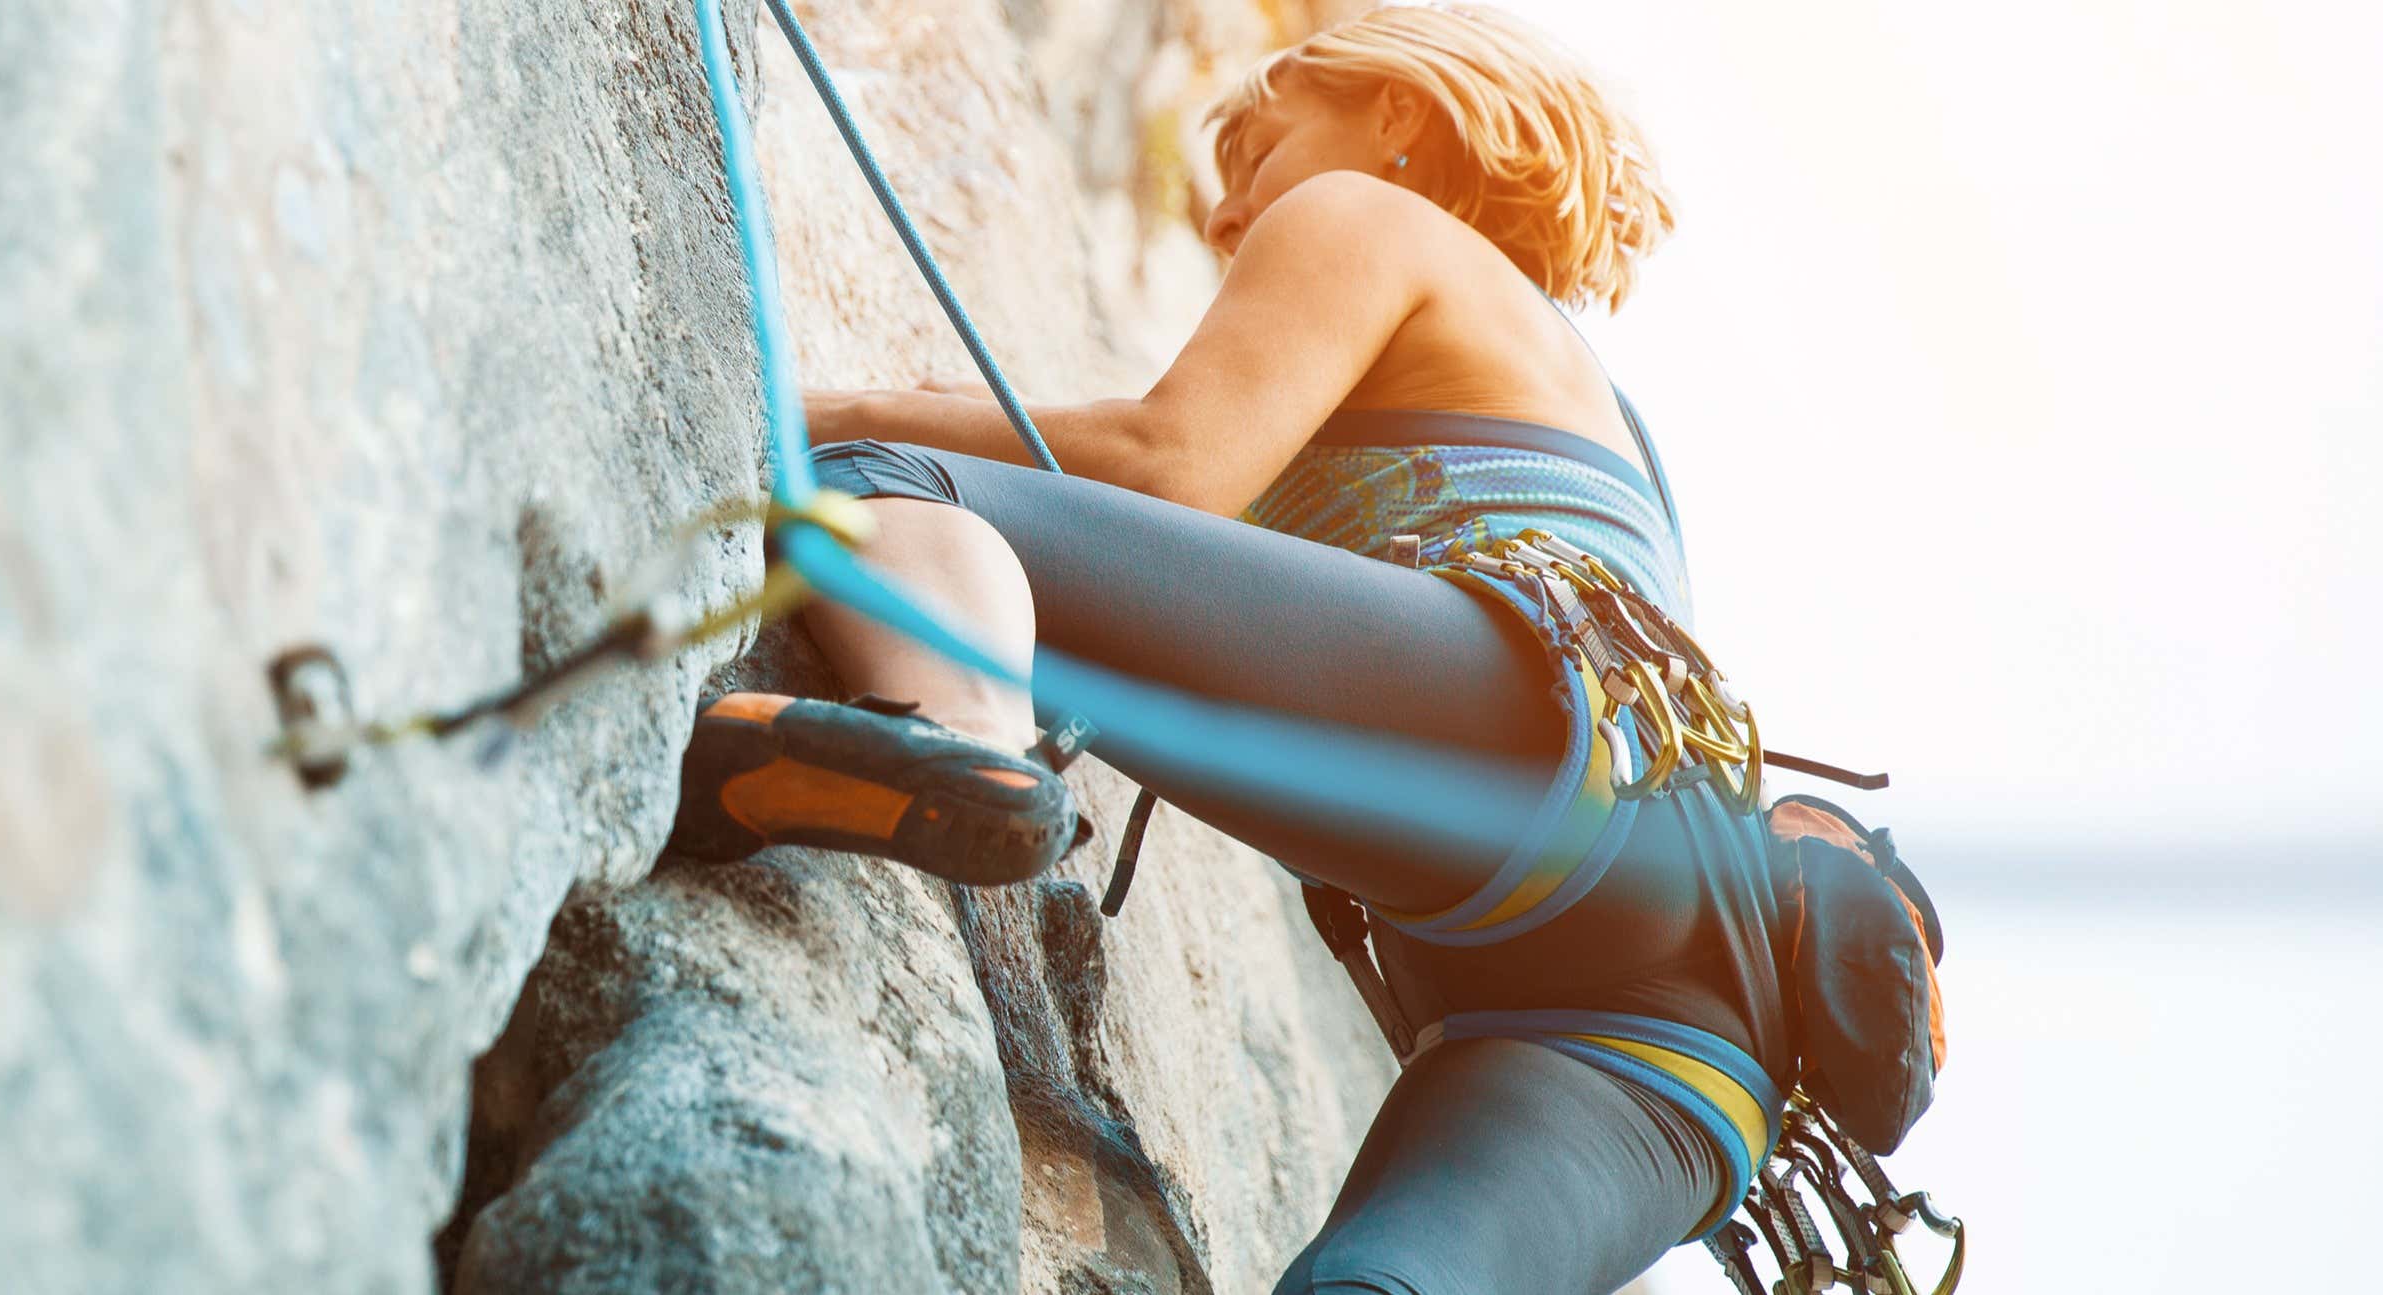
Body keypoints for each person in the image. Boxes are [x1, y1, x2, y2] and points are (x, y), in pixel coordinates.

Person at [664, 6, 1798, 1290]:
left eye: (1256, 146)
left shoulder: (1367, 212)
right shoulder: (1592, 413)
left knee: (876, 482)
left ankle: (957, 743)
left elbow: (1171, 465)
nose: (1223, 214)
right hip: (1685, 1035)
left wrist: (858, 410)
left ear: (1396, 113)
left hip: (1523, 739)